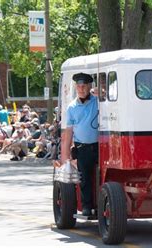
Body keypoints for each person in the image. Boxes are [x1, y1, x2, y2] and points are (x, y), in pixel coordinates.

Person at [61, 72, 98, 216]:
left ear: (89, 87)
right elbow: (69, 131)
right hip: (82, 147)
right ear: (76, 87)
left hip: (99, 146)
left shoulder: (97, 102)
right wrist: (66, 154)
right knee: (84, 178)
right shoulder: (71, 107)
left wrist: (101, 92)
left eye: (84, 86)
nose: (81, 89)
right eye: (79, 86)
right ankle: (87, 206)